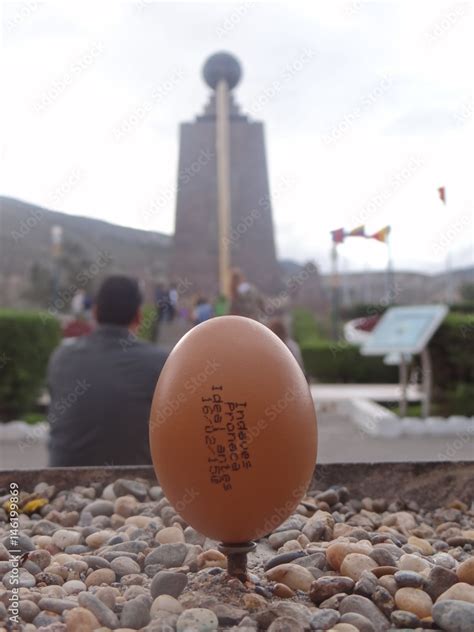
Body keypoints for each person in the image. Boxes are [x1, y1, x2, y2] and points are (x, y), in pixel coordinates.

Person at [47, 275, 168, 466]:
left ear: (94, 312)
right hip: (135, 488)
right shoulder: (160, 363)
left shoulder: (62, 357)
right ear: (138, 316)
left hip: (58, 484)